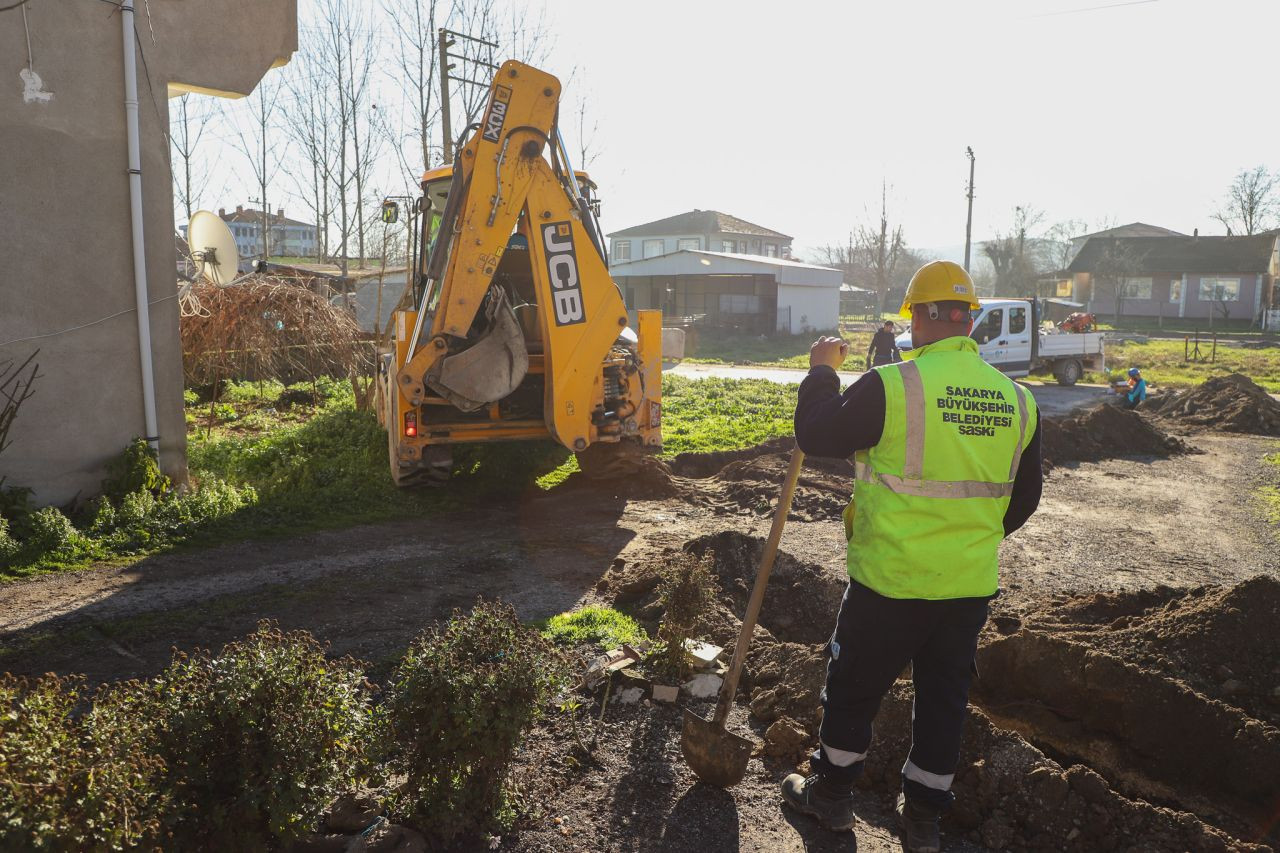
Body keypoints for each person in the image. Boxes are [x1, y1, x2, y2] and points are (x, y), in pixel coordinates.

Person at [780, 260, 1043, 852]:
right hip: (967, 586)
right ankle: (924, 821)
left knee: (854, 688)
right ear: (968, 320)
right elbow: (1025, 498)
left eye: (913, 318)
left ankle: (832, 798)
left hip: (890, 582)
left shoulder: (892, 384)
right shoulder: (1018, 401)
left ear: (922, 318)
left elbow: (817, 436)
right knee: (944, 701)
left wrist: (821, 374)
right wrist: (968, 539)